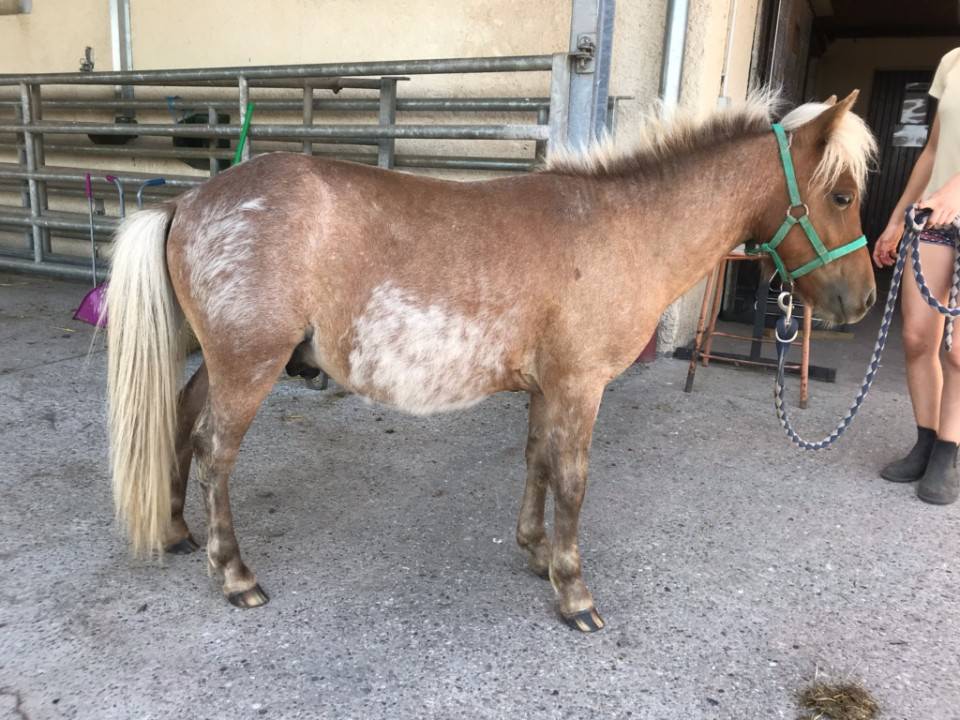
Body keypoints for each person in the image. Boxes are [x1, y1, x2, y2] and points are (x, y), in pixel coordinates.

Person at [874, 47, 960, 504]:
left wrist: (957, 186)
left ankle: (949, 453)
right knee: (917, 338)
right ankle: (925, 441)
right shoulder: (952, 62)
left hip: (953, 202)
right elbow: (931, 150)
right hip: (933, 217)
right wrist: (895, 218)